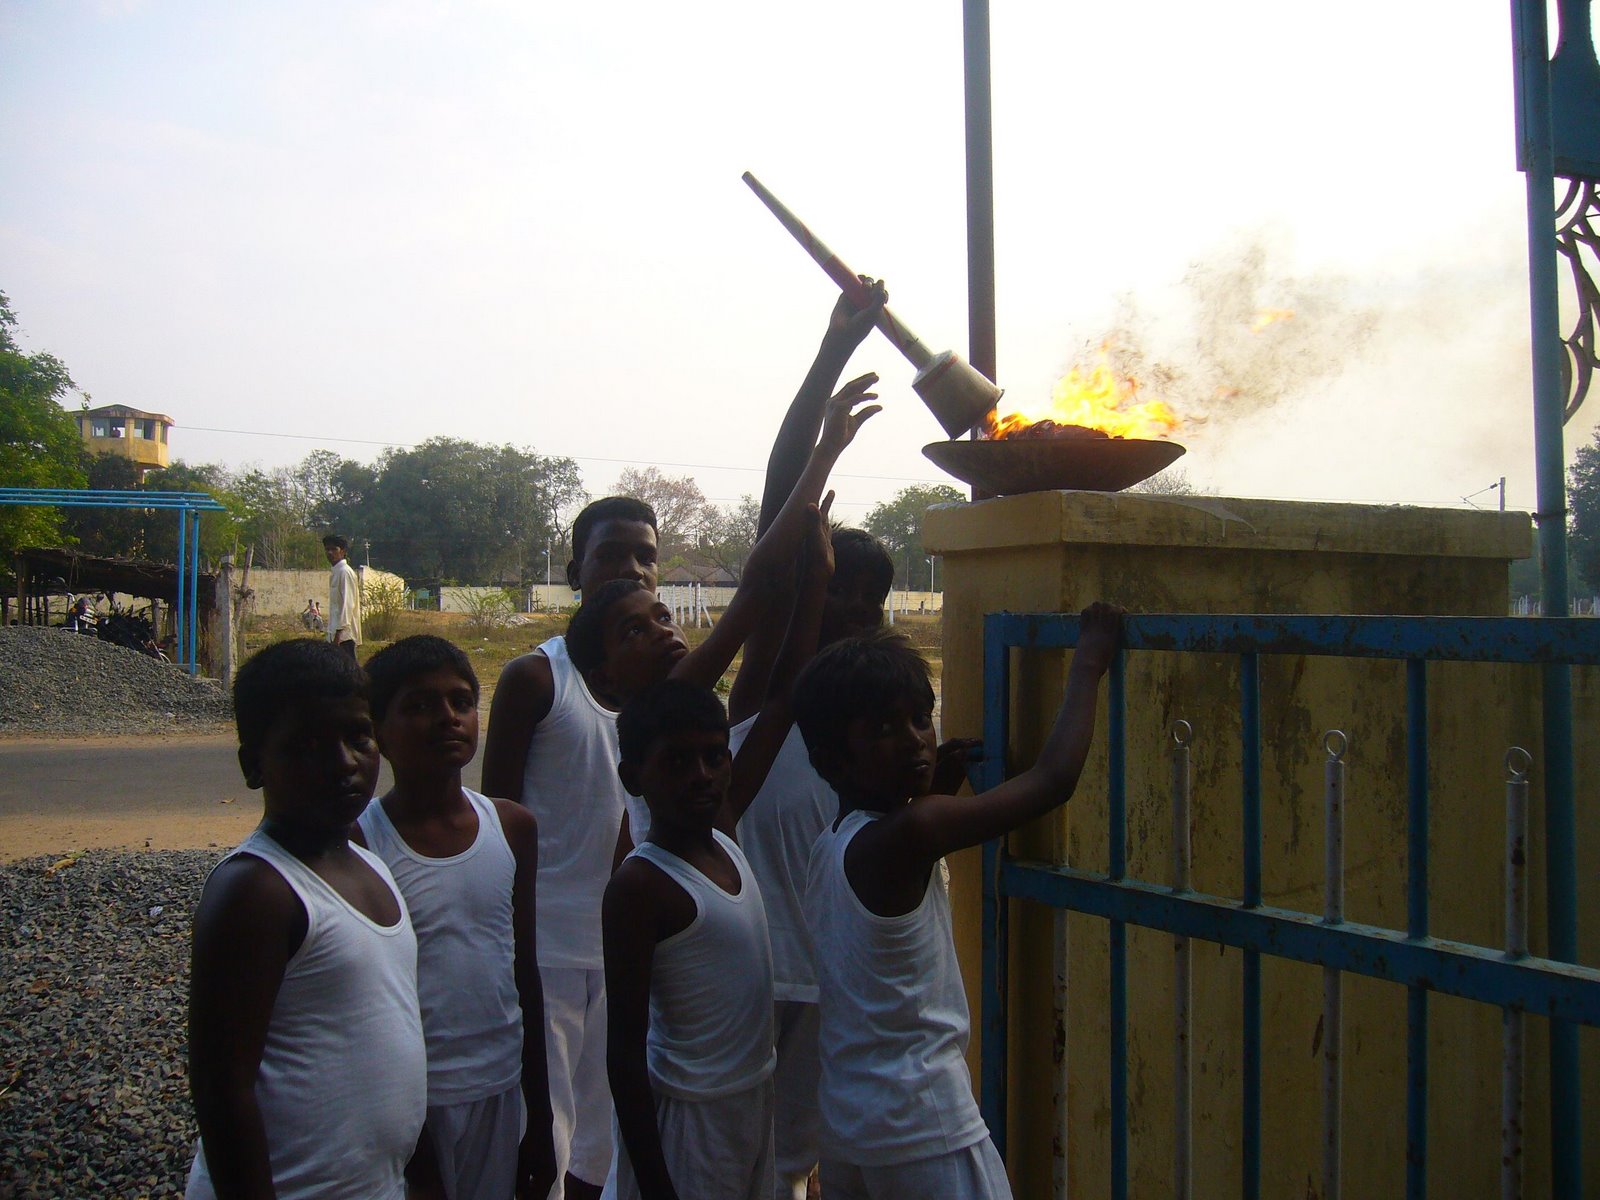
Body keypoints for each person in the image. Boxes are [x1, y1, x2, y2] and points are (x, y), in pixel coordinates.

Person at [479, 285, 884, 1200]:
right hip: (583, 982)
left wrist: (819, 478)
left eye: (660, 599)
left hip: (685, 1023)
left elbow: (773, 625)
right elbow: (758, 583)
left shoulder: (691, 732)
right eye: (633, 616)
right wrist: (821, 445)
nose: (657, 618)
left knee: (595, 1154)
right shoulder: (608, 704)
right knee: (554, 1145)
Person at [793, 607, 1121, 1199]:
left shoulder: (834, 845)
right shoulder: (914, 831)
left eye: (922, 719)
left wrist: (931, 790)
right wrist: (1090, 660)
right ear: (831, 756)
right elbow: (1052, 781)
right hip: (925, 1125)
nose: (917, 739)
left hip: (850, 1128)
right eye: (887, 729)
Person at [599, 497, 836, 1200]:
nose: (702, 775)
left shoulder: (725, 827)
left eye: (713, 757)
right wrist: (655, 1178)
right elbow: (623, 1055)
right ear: (634, 778)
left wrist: (818, 577)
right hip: (686, 1124)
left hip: (748, 1109)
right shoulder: (644, 885)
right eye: (678, 763)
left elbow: (790, 690)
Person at [721, 280, 894, 1200]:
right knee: (730, 1160)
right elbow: (775, 512)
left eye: (872, 604)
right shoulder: (769, 696)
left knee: (799, 1168)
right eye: (838, 597)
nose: (854, 617)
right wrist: (831, 355)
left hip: (839, 986)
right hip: (752, 978)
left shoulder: (887, 730)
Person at [185, 638, 428, 1200]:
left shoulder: (370, 865)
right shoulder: (257, 891)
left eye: (357, 737)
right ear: (253, 765)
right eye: (306, 746)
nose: (343, 762)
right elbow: (222, 1092)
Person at [479, 494, 663, 1200]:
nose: (630, 567)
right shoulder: (537, 679)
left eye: (645, 555)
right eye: (610, 553)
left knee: (604, 1136)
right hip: (546, 949)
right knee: (544, 1132)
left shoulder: (657, 694)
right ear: (575, 570)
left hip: (620, 949)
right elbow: (498, 818)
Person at [354, 635, 558, 1200]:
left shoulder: (513, 828)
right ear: (379, 730)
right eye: (419, 705)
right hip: (411, 1101)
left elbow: (524, 974)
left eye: (462, 701)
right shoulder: (362, 843)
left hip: (500, 1085)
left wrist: (539, 1119)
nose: (447, 717)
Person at [324, 534, 362, 658]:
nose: (330, 552)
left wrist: (338, 635)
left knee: (349, 673)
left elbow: (348, 605)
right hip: (334, 634)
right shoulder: (335, 572)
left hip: (344, 637)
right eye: (327, 549)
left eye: (334, 549)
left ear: (343, 551)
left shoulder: (345, 572)